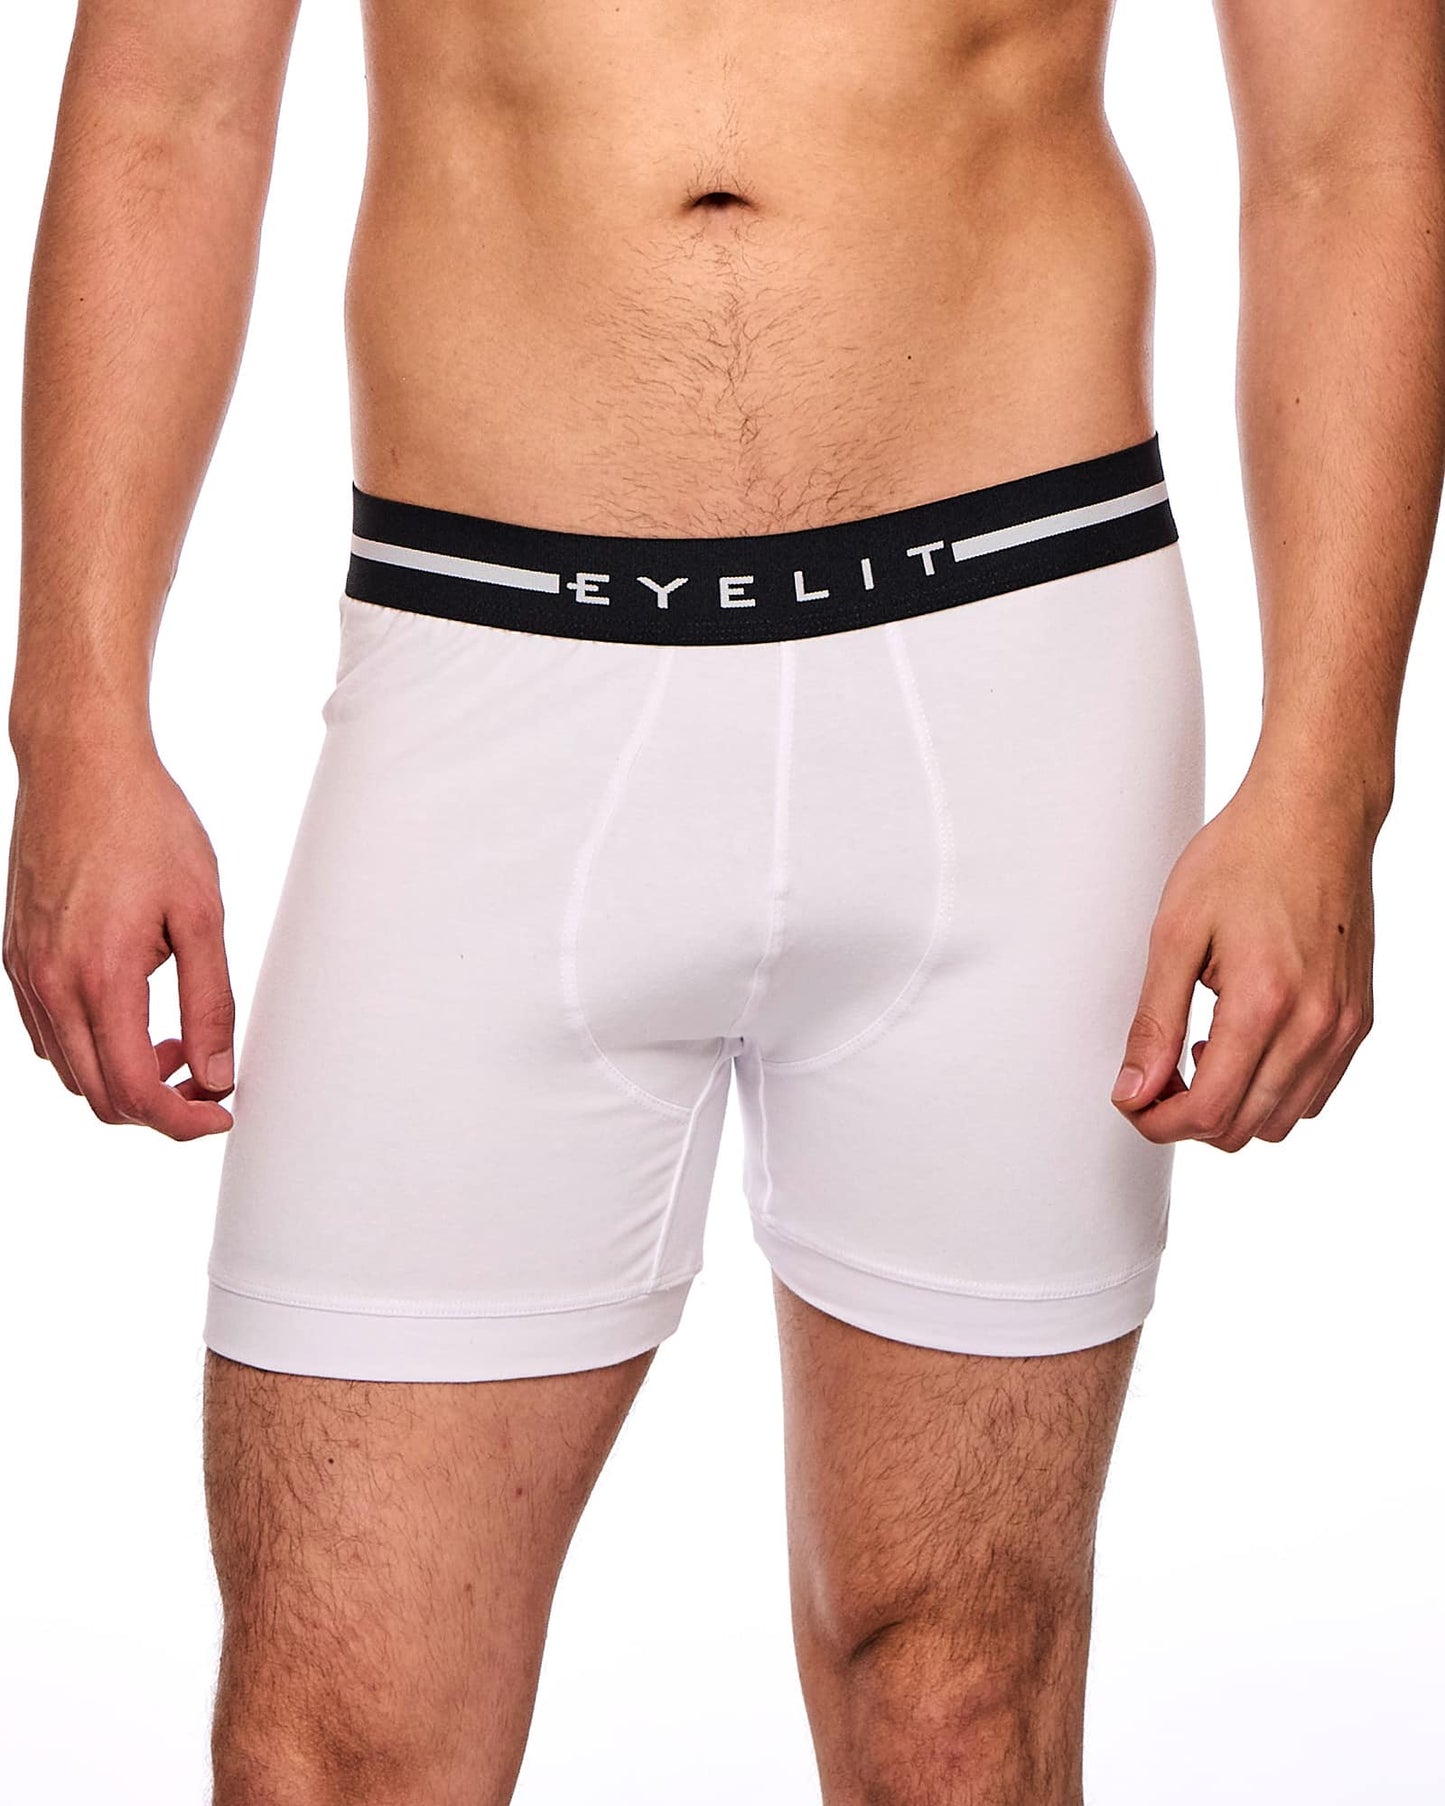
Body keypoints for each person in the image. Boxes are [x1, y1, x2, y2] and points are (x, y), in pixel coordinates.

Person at [6, 0, 1442, 1798]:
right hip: (486, 669)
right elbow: (172, 105)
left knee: (959, 1707)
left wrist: (1326, 775)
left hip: (1015, 675)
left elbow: (1345, 151)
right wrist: (75, 726)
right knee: (332, 1742)